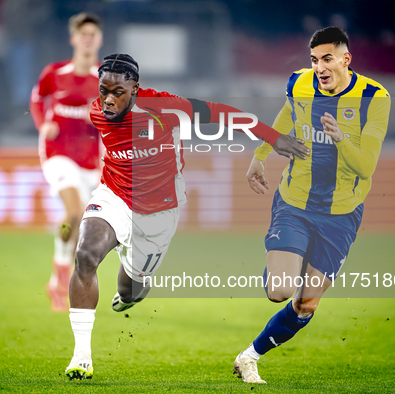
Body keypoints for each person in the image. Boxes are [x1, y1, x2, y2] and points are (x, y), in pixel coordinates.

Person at [64, 53, 311, 380]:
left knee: (129, 290)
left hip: (158, 210)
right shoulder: (98, 111)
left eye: (117, 92)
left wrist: (273, 138)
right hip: (114, 195)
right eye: (103, 90)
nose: (108, 99)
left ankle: (133, 287)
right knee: (86, 254)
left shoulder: (167, 107)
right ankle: (81, 356)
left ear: (136, 88)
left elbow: (225, 115)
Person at [234, 27, 391, 384]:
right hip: (295, 202)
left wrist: (340, 140)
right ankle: (282, 259)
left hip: (342, 215)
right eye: (314, 60)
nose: (320, 67)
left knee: (306, 305)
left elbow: (366, 166)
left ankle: (249, 357)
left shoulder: (374, 98)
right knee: (280, 290)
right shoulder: (299, 83)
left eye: (327, 59)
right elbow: (288, 114)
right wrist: (260, 154)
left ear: (345, 59)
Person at [29, 13, 103, 312]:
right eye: (82, 34)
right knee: (73, 211)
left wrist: (97, 116)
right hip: (57, 152)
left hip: (90, 161)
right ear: (73, 38)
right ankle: (61, 276)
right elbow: (37, 98)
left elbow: (121, 117)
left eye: (93, 34)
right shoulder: (55, 72)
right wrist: (41, 124)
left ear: (99, 40)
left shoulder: (107, 79)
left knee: (77, 227)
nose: (88, 39)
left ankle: (57, 276)